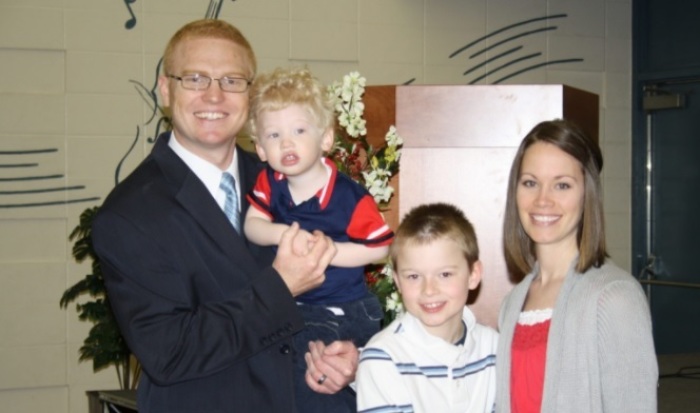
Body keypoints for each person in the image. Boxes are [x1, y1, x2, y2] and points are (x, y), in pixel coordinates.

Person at [91, 19, 355, 412]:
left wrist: (346, 351)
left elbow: (333, 295)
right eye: (195, 79)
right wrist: (279, 287)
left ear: (251, 95)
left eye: (232, 81)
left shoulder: (291, 182)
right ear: (166, 89)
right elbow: (170, 353)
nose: (214, 96)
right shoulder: (129, 215)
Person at [244, 66, 394, 412]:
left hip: (340, 308)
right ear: (261, 149)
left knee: (313, 382)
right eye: (274, 135)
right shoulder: (270, 181)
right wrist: (283, 234)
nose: (287, 143)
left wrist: (330, 251)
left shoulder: (349, 197)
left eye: (299, 130)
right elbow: (252, 226)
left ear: (326, 139)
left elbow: (381, 248)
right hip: (293, 304)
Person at [496, 119, 658, 412]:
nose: (542, 200)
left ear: (587, 195)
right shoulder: (513, 302)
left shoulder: (614, 297)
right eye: (530, 183)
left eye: (562, 185)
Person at [356, 203, 499, 413]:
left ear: (473, 275)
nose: (429, 290)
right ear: (397, 281)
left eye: (445, 274)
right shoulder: (384, 357)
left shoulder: (494, 348)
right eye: (414, 276)